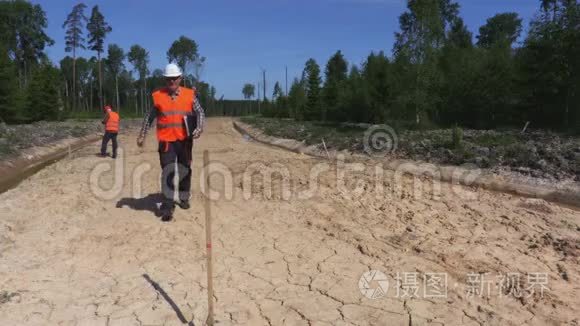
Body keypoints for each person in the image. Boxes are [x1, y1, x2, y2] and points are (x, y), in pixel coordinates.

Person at [136, 63, 205, 222]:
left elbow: (200, 112)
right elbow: (149, 117)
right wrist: (142, 135)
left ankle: (183, 197)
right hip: (166, 141)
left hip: (184, 141)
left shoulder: (190, 95)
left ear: (180, 78)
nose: (172, 82)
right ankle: (167, 206)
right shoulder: (158, 96)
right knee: (168, 171)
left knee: (185, 169)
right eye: (169, 79)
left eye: (174, 78)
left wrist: (199, 128)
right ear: (165, 80)